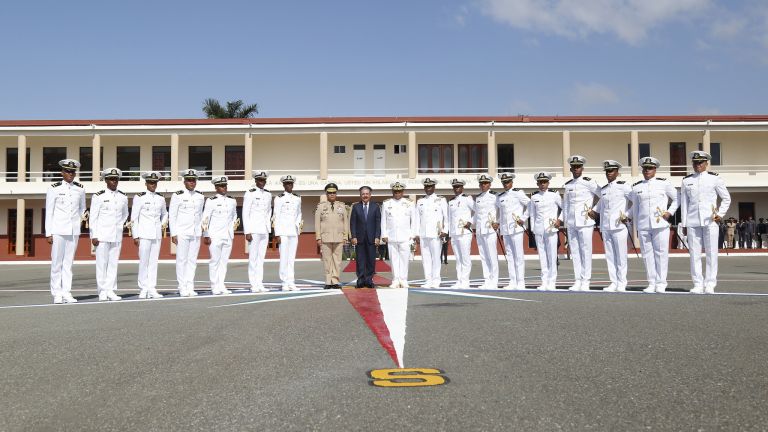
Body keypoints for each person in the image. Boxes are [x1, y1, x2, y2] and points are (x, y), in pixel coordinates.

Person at [680, 151, 731, 294]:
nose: (697, 165)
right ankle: (697, 284)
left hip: (710, 220)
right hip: (692, 221)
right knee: (694, 254)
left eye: (700, 162)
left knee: (711, 253)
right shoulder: (686, 180)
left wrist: (720, 214)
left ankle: (710, 284)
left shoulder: (715, 179)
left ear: (706, 163)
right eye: (695, 163)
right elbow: (684, 204)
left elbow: (726, 198)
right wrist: (684, 224)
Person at [628, 157, 679, 293]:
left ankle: (661, 282)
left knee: (661, 254)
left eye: (650, 168)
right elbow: (636, 208)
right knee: (647, 255)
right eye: (644, 168)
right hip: (644, 225)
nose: (647, 171)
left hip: (660, 224)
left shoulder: (664, 183)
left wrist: (669, 212)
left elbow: (677, 198)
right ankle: (651, 282)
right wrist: (636, 226)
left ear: (655, 169)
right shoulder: (637, 186)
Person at [46, 159, 86, 304]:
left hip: (73, 230)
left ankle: (67, 292)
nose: (70, 174)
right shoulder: (54, 188)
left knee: (68, 263)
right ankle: (57, 293)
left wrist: (82, 217)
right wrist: (48, 232)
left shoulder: (80, 189)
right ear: (62, 172)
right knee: (56, 263)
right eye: (68, 171)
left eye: (73, 172)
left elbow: (82, 208)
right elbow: (49, 212)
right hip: (58, 229)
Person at [589, 160, 631, 292]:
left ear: (617, 172)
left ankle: (622, 282)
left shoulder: (624, 186)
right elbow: (601, 206)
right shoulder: (604, 190)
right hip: (606, 226)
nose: (609, 173)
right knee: (610, 256)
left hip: (619, 226)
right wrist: (593, 212)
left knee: (621, 256)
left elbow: (636, 201)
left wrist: (628, 215)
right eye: (607, 171)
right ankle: (613, 282)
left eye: (611, 170)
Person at [89, 168, 129, 301]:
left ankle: (111, 290)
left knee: (113, 263)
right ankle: (102, 290)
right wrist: (93, 235)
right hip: (102, 235)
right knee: (102, 263)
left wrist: (120, 226)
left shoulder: (123, 196)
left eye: (116, 179)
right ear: (106, 180)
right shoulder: (99, 196)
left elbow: (125, 214)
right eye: (111, 179)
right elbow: (93, 217)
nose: (114, 181)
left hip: (116, 235)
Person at [562, 155, 600, 291]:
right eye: (574, 167)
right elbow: (565, 205)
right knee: (575, 252)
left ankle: (586, 280)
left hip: (585, 221)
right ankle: (577, 280)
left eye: (578, 166)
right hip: (572, 223)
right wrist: (565, 222)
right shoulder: (568, 185)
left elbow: (603, 195)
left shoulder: (589, 182)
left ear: (582, 168)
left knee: (586, 251)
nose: (576, 169)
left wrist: (595, 210)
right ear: (571, 168)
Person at [169, 169, 206, 297]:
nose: (192, 182)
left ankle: (190, 286)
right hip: (182, 232)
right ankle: (182, 286)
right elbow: (172, 215)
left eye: (193, 180)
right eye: (189, 180)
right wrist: (173, 233)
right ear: (184, 181)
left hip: (195, 232)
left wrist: (203, 231)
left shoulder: (200, 196)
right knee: (182, 260)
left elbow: (201, 215)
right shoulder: (177, 195)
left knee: (192, 260)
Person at [131, 171, 168, 299]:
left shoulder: (161, 198)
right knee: (143, 262)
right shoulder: (139, 197)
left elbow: (165, 213)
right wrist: (135, 235)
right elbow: (134, 218)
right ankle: (143, 288)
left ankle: (152, 288)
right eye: (151, 182)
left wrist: (163, 224)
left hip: (156, 234)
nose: (153, 184)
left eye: (155, 182)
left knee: (153, 262)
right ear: (146, 183)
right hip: (144, 234)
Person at [202, 176, 238, 295]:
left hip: (228, 235)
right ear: (216, 187)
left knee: (224, 262)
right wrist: (206, 234)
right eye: (221, 186)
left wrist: (233, 226)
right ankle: (214, 285)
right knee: (214, 261)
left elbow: (234, 215)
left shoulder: (232, 201)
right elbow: (205, 218)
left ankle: (221, 284)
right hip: (215, 235)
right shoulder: (211, 201)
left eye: (225, 186)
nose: (224, 188)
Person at [528, 172, 562, 291]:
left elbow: (564, 207)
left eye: (544, 182)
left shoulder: (554, 194)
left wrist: (560, 220)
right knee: (542, 256)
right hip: (538, 229)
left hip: (551, 228)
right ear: (537, 183)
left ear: (548, 183)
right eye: (540, 182)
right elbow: (532, 214)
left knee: (552, 255)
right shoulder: (534, 196)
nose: (542, 184)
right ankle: (544, 281)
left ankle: (552, 281)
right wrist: (533, 229)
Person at [496, 173, 530, 290]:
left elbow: (530, 205)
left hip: (516, 228)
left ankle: (521, 282)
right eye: (504, 182)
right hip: (505, 229)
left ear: (512, 182)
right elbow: (502, 214)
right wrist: (498, 223)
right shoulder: (500, 197)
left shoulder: (518, 193)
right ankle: (512, 281)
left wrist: (523, 218)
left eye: (507, 182)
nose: (505, 184)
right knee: (509, 256)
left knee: (518, 256)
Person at [414, 178, 448, 288]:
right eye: (426, 186)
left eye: (430, 186)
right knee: (426, 259)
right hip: (423, 234)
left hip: (436, 234)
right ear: (424, 188)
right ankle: (428, 280)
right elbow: (416, 219)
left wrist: (445, 230)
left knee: (436, 258)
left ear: (434, 187)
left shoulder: (441, 200)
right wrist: (416, 233)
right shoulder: (420, 201)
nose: (428, 188)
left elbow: (447, 217)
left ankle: (436, 280)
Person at [380, 182, 415, 288]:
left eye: (399, 191)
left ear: (403, 192)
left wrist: (412, 235)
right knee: (393, 259)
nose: (397, 193)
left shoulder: (410, 203)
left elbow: (414, 220)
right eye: (395, 191)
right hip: (391, 236)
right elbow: (383, 221)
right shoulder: (387, 203)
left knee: (405, 259)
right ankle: (395, 279)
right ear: (392, 192)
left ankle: (404, 279)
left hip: (405, 236)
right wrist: (384, 234)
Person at [315, 182, 349, 289]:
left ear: (336, 193)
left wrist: (345, 236)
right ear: (326, 194)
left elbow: (345, 222)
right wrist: (318, 237)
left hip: (339, 237)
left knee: (337, 260)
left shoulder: (342, 206)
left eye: (334, 193)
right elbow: (317, 223)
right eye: (330, 193)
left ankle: (335, 281)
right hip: (325, 237)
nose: (332, 194)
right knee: (327, 260)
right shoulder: (320, 207)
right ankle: (328, 281)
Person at [242, 170, 272, 293]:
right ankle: (253, 284)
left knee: (261, 258)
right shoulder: (250, 193)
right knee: (253, 258)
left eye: (264, 180)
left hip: (264, 230)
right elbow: (245, 212)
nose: (262, 182)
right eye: (260, 180)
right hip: (253, 229)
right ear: (255, 181)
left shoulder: (268, 194)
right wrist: (247, 231)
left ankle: (259, 283)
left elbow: (269, 211)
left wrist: (268, 228)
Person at [273, 175, 303, 291]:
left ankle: (291, 281)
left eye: (291, 183)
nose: (289, 185)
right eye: (287, 184)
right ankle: (284, 282)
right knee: (284, 258)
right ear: (283, 185)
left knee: (291, 259)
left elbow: (299, 213)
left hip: (293, 232)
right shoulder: (279, 198)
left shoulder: (297, 198)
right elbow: (275, 216)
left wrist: (298, 225)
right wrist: (277, 233)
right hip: (283, 232)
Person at [350, 186, 381, 288]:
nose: (365, 195)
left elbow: (378, 223)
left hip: (372, 238)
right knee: (360, 259)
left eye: (367, 194)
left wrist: (377, 236)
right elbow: (353, 223)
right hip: (359, 238)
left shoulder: (375, 207)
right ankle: (360, 279)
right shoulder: (356, 207)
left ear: (370, 195)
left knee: (371, 260)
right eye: (363, 194)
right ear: (360, 195)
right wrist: (353, 236)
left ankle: (369, 280)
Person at [447, 179, 475, 289]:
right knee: (458, 258)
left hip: (464, 233)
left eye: (458, 186)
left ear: (462, 187)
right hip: (454, 233)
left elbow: (478, 210)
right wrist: (449, 234)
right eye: (455, 187)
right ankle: (459, 280)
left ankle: (465, 281)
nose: (456, 189)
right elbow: (449, 218)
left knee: (465, 257)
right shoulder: (451, 201)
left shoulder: (467, 199)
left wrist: (471, 222)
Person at [473, 174, 500, 289]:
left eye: (485, 183)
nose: (483, 185)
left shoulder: (495, 196)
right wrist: (471, 225)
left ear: (489, 184)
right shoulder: (478, 198)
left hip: (490, 229)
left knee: (492, 255)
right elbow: (476, 214)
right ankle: (487, 279)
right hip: (480, 230)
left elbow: (502, 210)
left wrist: (497, 222)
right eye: (481, 183)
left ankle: (494, 280)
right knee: (484, 256)